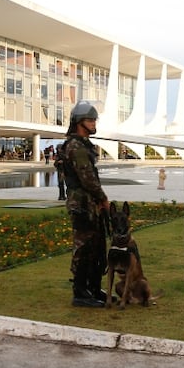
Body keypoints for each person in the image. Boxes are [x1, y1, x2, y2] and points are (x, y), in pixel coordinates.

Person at [61, 101, 111, 308]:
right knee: (84, 248)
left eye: (94, 119)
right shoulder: (76, 146)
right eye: (90, 120)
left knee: (97, 246)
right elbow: (88, 179)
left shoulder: (83, 145)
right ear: (79, 122)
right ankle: (80, 292)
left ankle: (93, 288)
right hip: (82, 204)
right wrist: (103, 198)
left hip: (90, 204)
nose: (93, 123)